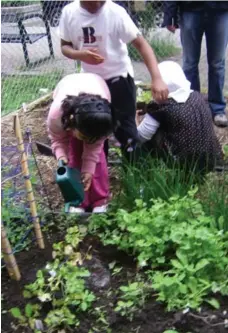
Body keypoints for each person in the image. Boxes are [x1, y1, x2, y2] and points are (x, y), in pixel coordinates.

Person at [59, 0, 168, 156]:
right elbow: (64, 46)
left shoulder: (116, 13)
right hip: (91, 83)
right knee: (94, 129)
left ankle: (134, 169)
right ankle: (98, 171)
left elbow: (142, 45)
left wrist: (157, 78)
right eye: (91, 3)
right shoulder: (69, 13)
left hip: (119, 80)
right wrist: (79, 55)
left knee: (125, 129)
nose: (97, 5)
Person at [136, 61, 223, 174]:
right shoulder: (198, 97)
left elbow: (140, 137)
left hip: (183, 166)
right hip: (209, 160)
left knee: (148, 135)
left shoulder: (161, 107)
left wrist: (135, 120)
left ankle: (153, 167)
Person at [47, 72, 115, 213]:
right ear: (72, 122)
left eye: (93, 138)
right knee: (73, 156)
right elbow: (57, 139)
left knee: (97, 157)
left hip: (97, 85)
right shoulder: (56, 116)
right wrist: (61, 155)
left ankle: (100, 199)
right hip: (67, 87)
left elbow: (95, 146)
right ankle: (79, 201)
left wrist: (88, 170)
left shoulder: (103, 118)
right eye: (85, 137)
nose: (90, 142)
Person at [162, 1, 228, 127]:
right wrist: (170, 13)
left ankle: (217, 109)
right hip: (190, 9)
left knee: (217, 64)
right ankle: (193, 108)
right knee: (189, 64)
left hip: (220, 9)